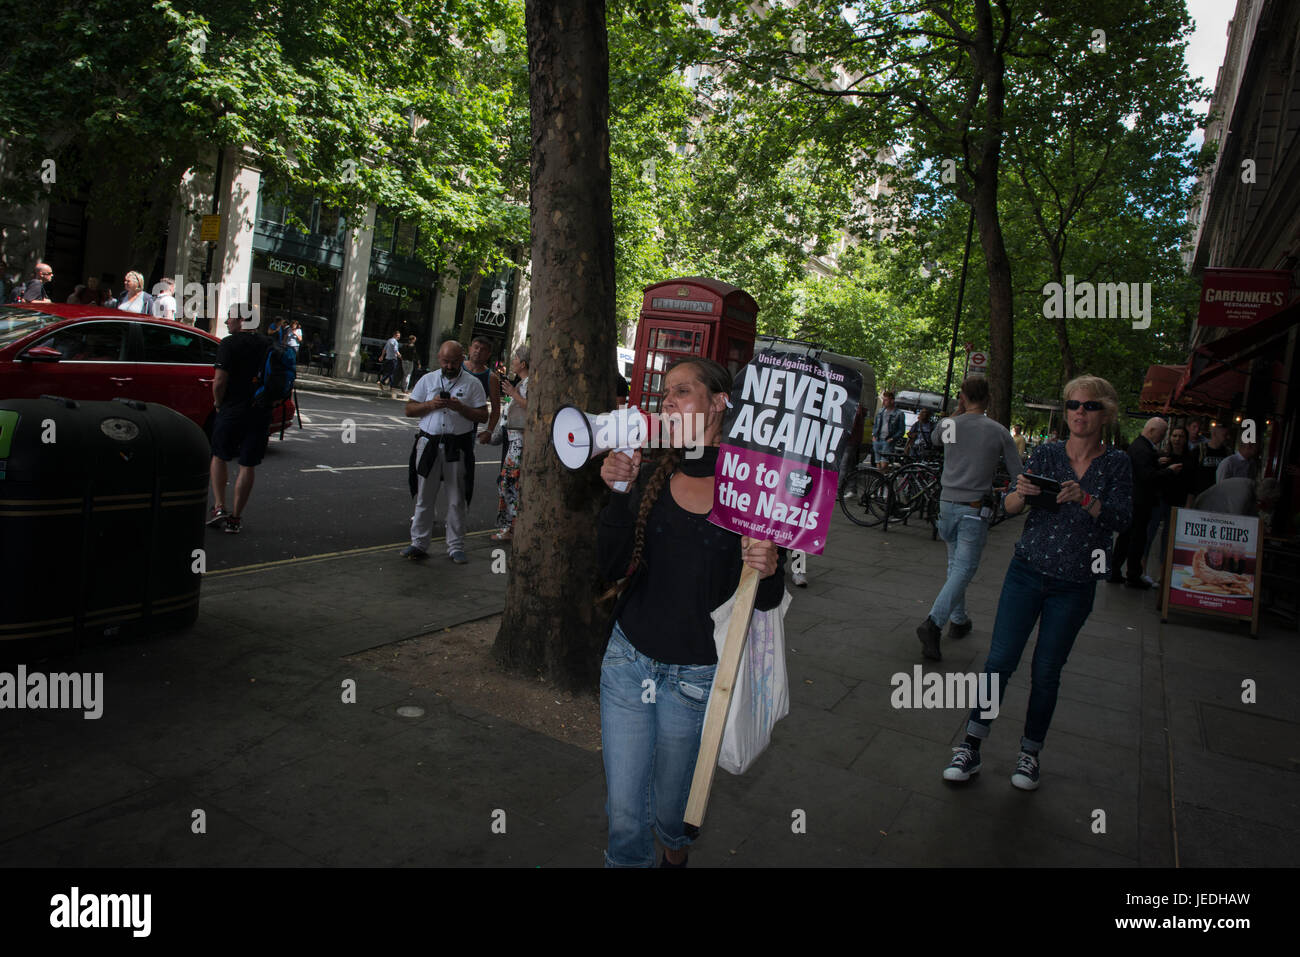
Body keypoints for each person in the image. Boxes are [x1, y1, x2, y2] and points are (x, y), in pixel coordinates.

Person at [596, 357, 784, 867]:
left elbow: (764, 604)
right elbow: (606, 567)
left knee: (674, 809)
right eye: (665, 394)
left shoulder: (752, 488)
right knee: (625, 814)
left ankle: (674, 854)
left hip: (697, 678)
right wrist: (616, 494)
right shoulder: (650, 470)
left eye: (683, 391)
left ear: (720, 402)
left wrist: (767, 568)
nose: (668, 401)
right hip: (627, 664)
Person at [942, 375, 1132, 791]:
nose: (1080, 412)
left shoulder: (1116, 463)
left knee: (1047, 671)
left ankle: (1029, 754)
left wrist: (1085, 498)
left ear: (1105, 413)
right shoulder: (1046, 453)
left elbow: (1122, 519)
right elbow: (1010, 505)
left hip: (1075, 583)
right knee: (999, 662)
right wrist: (1021, 493)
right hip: (1026, 571)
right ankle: (971, 744)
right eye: (1073, 405)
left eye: (1090, 406)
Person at [915, 376, 1023, 660]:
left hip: (947, 504)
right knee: (964, 569)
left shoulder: (951, 425)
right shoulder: (998, 431)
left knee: (956, 566)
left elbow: (936, 438)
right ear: (988, 398)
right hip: (974, 509)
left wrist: (957, 411)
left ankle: (960, 621)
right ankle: (933, 623)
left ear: (962, 397)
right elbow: (1017, 472)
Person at [401, 341, 488, 564]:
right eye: (445, 361)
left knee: (456, 497)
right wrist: (430, 405)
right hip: (428, 443)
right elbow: (409, 409)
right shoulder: (428, 379)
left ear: (462, 360)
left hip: (456, 446)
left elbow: (482, 416)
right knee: (424, 497)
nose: (449, 366)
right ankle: (418, 542)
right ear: (439, 358)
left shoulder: (472, 384)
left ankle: (455, 546)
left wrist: (461, 408)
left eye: (454, 362)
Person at [206, 306, 274, 534]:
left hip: (232, 408)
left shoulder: (229, 343)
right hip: (260, 410)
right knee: (247, 464)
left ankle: (218, 507)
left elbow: (219, 381)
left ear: (243, 320)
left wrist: (217, 403)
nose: (226, 322)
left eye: (230, 318)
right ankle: (235, 518)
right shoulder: (268, 344)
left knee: (219, 456)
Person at [1108, 417, 1178, 589]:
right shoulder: (1142, 449)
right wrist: (1168, 471)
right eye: (1161, 434)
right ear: (1152, 431)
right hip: (1139, 502)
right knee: (1136, 538)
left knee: (1128, 537)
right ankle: (1131, 574)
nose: (1162, 438)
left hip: (1136, 500)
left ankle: (1117, 570)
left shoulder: (1141, 447)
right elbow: (1146, 476)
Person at [1144, 425, 1197, 579]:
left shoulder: (1190, 460)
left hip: (1177, 503)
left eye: (1181, 436)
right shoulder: (1161, 456)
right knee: (1149, 535)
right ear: (1170, 438)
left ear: (1185, 439)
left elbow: (1192, 485)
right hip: (1159, 501)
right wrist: (1160, 465)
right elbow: (1152, 477)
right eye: (1174, 435)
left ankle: (1163, 576)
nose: (1177, 439)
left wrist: (1188, 505)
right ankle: (1142, 570)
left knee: (1168, 540)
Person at [492, 346, 530, 541]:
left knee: (509, 484)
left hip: (520, 443)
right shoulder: (522, 383)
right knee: (508, 483)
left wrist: (514, 394)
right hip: (514, 440)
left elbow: (533, 408)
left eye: (515, 358)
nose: (512, 361)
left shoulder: (528, 383)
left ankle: (510, 528)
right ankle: (510, 526)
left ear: (522, 363)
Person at [465, 336, 503, 439]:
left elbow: (496, 409)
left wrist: (489, 431)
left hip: (469, 431)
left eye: (483, 349)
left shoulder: (491, 378)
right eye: (476, 347)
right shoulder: (457, 367)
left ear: (488, 354)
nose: (478, 351)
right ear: (470, 349)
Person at [1192, 424, 1233, 496]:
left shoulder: (1228, 453)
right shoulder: (1199, 450)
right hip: (1201, 494)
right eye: (1225, 435)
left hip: (1220, 495)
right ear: (1214, 434)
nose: (1228, 437)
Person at [871, 390, 905, 464]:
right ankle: (879, 475)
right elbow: (875, 424)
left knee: (884, 463)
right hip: (877, 439)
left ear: (892, 401)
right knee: (878, 463)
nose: (883, 402)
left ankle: (883, 474)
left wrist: (892, 439)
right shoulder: (880, 412)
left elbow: (901, 430)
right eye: (883, 399)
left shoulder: (899, 414)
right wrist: (873, 435)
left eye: (886, 400)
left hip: (887, 441)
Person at [378, 329, 402, 396]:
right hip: (393, 359)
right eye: (397, 336)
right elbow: (395, 349)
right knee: (391, 372)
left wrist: (382, 356)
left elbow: (384, 349)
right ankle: (382, 381)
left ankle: (392, 387)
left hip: (387, 358)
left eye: (399, 336)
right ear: (394, 335)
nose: (398, 337)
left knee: (391, 373)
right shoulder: (395, 342)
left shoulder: (389, 340)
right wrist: (400, 355)